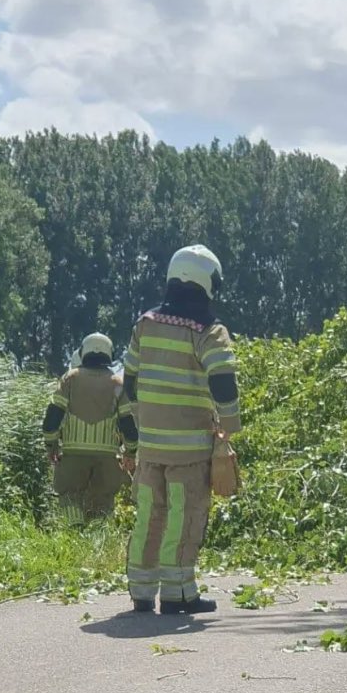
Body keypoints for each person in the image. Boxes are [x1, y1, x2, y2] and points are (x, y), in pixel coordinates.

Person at [122, 244, 242, 615]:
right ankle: (178, 595)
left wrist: (143, 424)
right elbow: (223, 381)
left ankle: (141, 591)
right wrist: (230, 426)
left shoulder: (145, 324)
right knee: (184, 517)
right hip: (189, 452)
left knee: (149, 516)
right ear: (207, 282)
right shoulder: (208, 330)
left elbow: (130, 381)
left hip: (151, 448)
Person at [42, 332, 139, 526]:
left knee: (69, 495)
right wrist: (130, 452)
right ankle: (96, 538)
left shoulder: (70, 378)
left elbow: (53, 416)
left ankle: (75, 530)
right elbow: (128, 424)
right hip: (108, 458)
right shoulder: (118, 383)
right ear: (109, 353)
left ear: (83, 351)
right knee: (102, 502)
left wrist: (51, 445)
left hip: (73, 455)